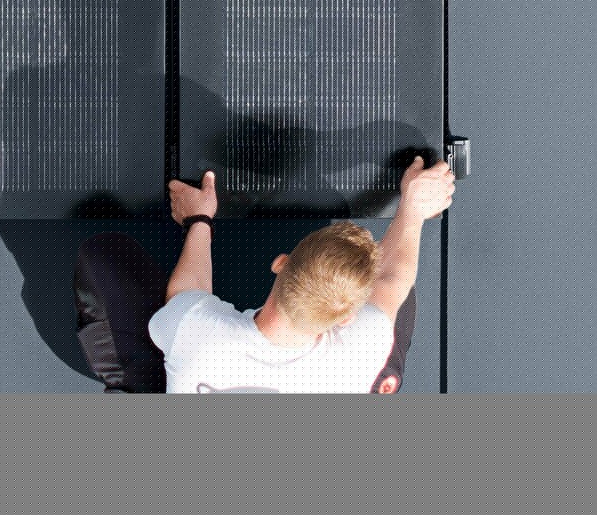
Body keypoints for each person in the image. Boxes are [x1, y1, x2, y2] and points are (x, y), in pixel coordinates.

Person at [70, 158, 457, 393]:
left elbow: (189, 292)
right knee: (393, 305)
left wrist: (198, 218)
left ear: (281, 262)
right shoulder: (359, 350)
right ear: (347, 318)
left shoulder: (199, 334)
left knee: (105, 257)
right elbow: (392, 278)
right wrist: (414, 209)